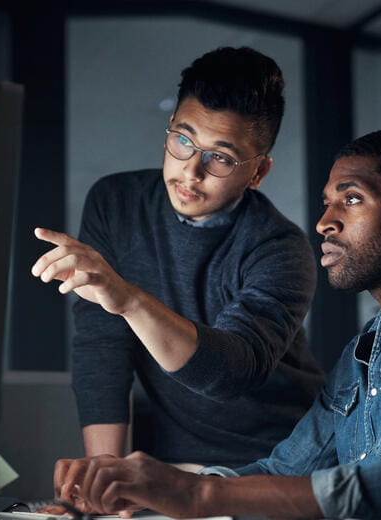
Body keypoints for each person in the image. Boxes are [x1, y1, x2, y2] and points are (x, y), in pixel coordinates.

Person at [47, 128, 381, 519]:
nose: (324, 221)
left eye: (351, 198)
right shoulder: (367, 348)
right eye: (325, 203)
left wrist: (198, 494)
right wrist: (142, 494)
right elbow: (283, 470)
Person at [31, 47, 325, 468]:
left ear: (257, 172)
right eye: (183, 140)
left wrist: (128, 300)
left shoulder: (280, 249)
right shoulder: (116, 203)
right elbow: (102, 345)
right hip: (178, 465)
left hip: (283, 461)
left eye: (220, 157)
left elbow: (230, 374)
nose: (191, 171)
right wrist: (104, 474)